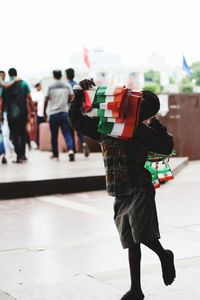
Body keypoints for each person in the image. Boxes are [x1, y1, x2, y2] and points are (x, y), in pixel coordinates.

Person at [68, 79, 176, 300]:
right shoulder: (107, 127)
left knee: (142, 233)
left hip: (140, 188)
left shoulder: (142, 131)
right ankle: (136, 289)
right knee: (130, 240)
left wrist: (155, 125)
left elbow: (166, 147)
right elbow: (76, 121)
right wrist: (79, 93)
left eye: (146, 108)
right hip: (119, 191)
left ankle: (164, 255)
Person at [1, 68, 35, 163]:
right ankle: (23, 155)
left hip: (11, 114)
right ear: (16, 74)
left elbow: (2, 102)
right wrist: (32, 110)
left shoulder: (6, 85)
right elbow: (29, 97)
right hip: (22, 114)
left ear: (8, 74)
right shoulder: (23, 83)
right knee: (23, 133)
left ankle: (18, 156)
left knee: (14, 135)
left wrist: (1, 114)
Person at [44, 70, 75, 161]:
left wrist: (44, 112)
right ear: (61, 76)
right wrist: (67, 103)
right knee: (67, 133)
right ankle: (70, 150)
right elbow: (72, 97)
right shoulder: (67, 85)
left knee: (54, 136)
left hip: (53, 114)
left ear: (54, 76)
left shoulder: (49, 86)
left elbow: (46, 99)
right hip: (65, 113)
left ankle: (55, 155)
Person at [65, 68, 90, 157]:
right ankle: (83, 143)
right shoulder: (77, 85)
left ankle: (73, 150)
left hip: (69, 110)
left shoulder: (67, 86)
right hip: (80, 109)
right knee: (79, 129)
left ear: (66, 75)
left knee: (70, 130)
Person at [32, 82, 45, 147]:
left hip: (41, 113)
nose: (37, 88)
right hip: (41, 113)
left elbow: (33, 102)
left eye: (38, 86)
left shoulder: (40, 94)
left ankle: (39, 143)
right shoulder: (40, 94)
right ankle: (38, 143)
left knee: (39, 129)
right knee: (39, 129)